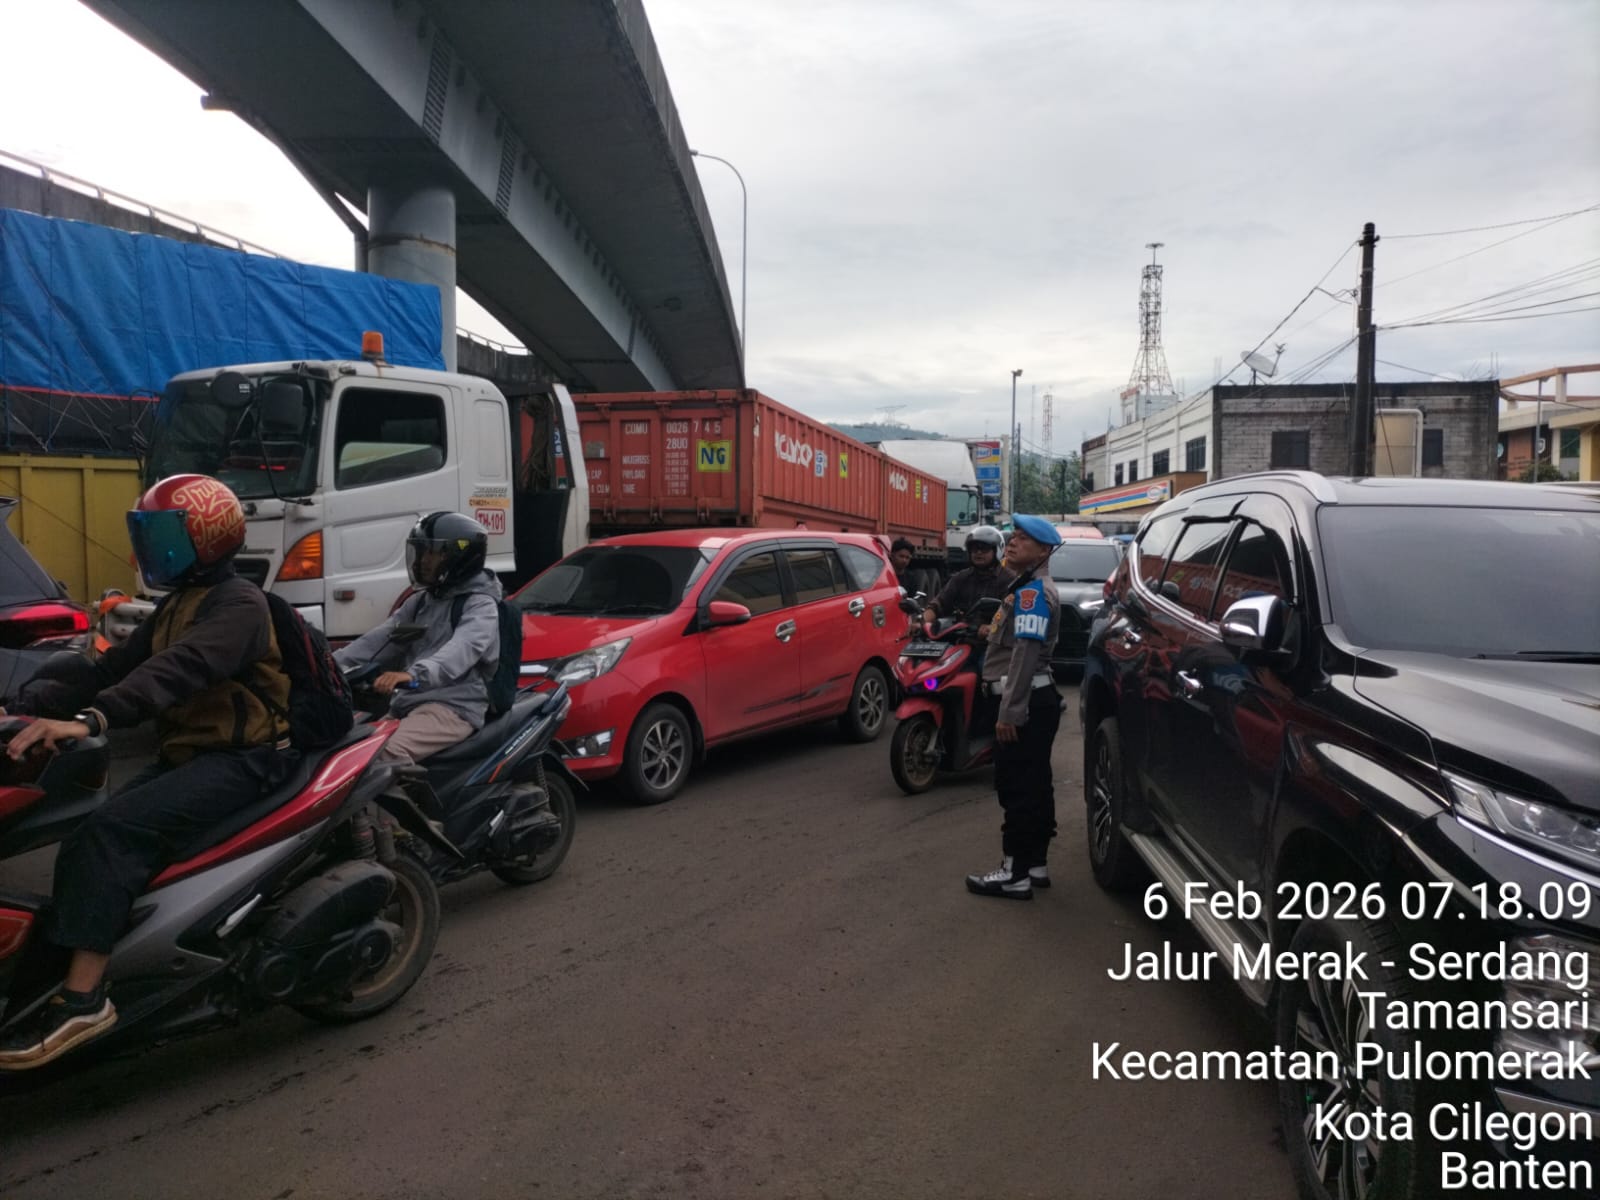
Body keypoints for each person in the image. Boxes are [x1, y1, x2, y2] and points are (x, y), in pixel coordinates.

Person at [0, 474, 296, 1069]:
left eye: (163, 537)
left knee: (108, 835)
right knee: (84, 838)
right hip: (191, 752)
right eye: (147, 535)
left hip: (245, 759)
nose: (149, 550)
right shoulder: (177, 604)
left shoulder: (240, 604)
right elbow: (108, 669)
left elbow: (179, 669)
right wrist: (24, 707)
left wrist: (91, 720)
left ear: (208, 539)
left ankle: (84, 1000)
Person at [333, 511, 502, 765]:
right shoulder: (422, 602)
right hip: (407, 703)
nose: (423, 561)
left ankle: (421, 794)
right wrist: (329, 664)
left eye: (433, 553)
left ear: (458, 556)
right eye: (421, 552)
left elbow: (462, 649)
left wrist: (413, 675)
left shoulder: (480, 606)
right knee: (347, 752)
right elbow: (381, 640)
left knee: (382, 754)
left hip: (451, 709)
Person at [965, 514, 1064, 900]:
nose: (1013, 542)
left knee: (1017, 787)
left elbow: (1024, 656)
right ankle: (1035, 864)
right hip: (1034, 699)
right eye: (1013, 536)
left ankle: (1014, 873)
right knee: (1035, 784)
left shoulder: (1032, 595)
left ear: (1043, 551)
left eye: (1023, 538)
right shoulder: (1026, 587)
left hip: (1023, 700)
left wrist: (1010, 712)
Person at [922, 527, 1011, 630]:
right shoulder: (961, 578)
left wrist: (990, 628)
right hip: (960, 634)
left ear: (997, 550)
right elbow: (939, 603)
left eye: (984, 548)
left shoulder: (1008, 580)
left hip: (993, 637)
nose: (978, 552)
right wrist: (922, 622)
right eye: (974, 548)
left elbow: (1010, 617)